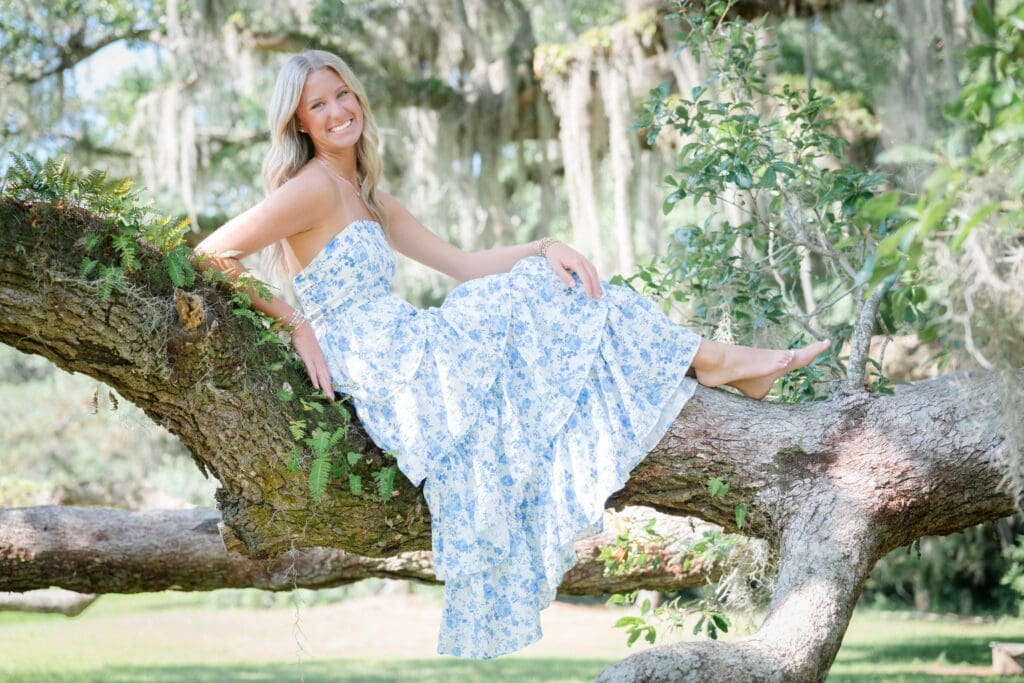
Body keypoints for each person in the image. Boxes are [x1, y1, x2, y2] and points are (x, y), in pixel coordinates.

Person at [193, 49, 831, 659]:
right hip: (383, 360)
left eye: (342, 94)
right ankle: (717, 362)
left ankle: (713, 360)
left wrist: (546, 243)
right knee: (540, 296)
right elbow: (213, 253)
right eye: (318, 106)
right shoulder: (312, 187)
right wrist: (296, 322)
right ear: (300, 123)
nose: (337, 112)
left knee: (550, 283)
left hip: (407, 340)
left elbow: (464, 266)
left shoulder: (367, 194)